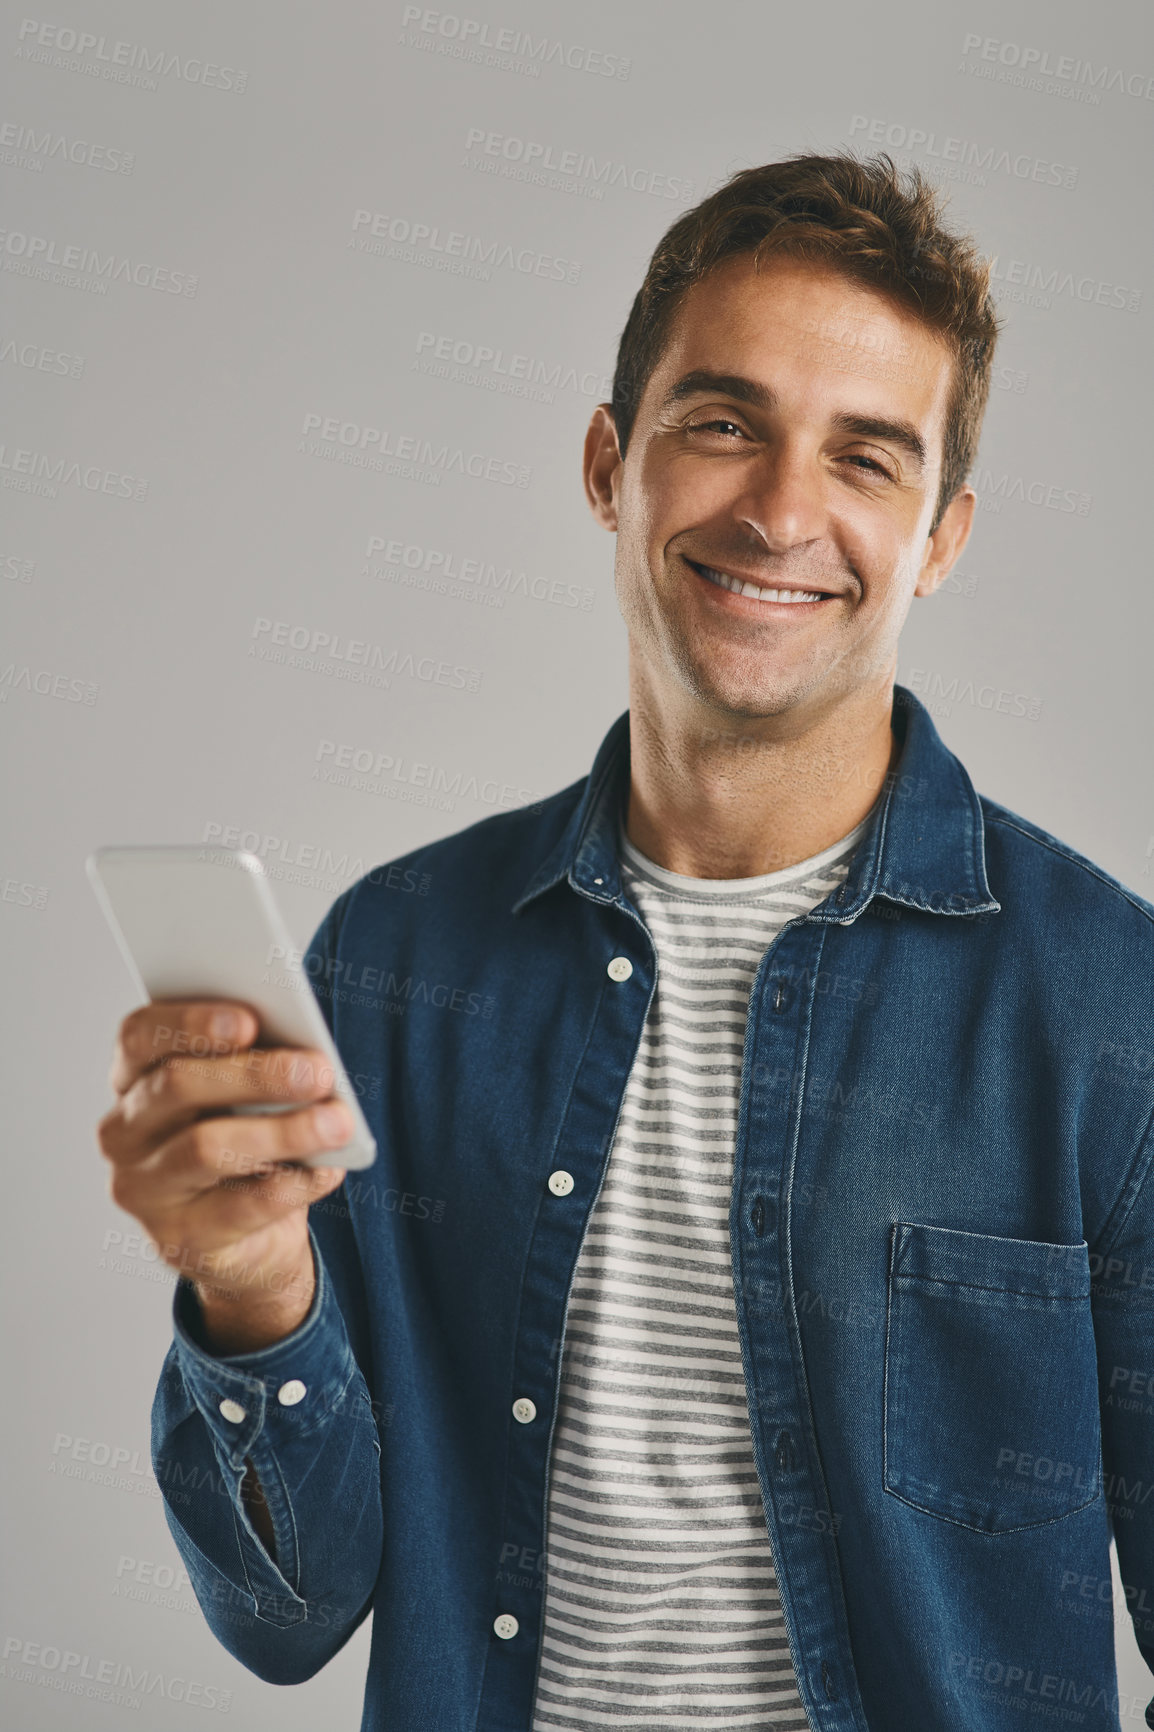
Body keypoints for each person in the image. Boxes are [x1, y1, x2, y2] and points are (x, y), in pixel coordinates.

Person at [97, 152, 1154, 1731]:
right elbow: (285, 1618)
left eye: (865, 460)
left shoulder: (1102, 1005)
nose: (782, 511)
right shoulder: (394, 961)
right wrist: (250, 1286)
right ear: (610, 463)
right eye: (721, 423)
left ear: (937, 536)